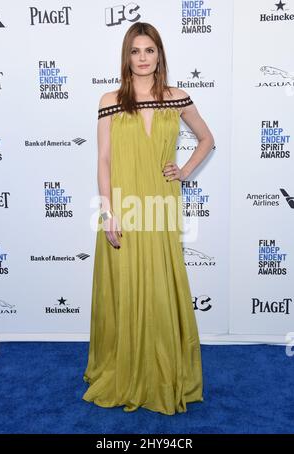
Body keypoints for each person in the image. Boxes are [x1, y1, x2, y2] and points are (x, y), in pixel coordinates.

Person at [82, 22, 215, 416]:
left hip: (160, 203)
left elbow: (206, 138)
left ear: (160, 54)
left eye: (149, 50)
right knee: (124, 287)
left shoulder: (177, 97)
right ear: (127, 56)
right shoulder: (109, 99)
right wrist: (107, 212)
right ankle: (123, 369)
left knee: (158, 286)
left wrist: (185, 169)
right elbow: (103, 160)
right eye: (135, 51)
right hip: (123, 205)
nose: (142, 58)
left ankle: (162, 368)